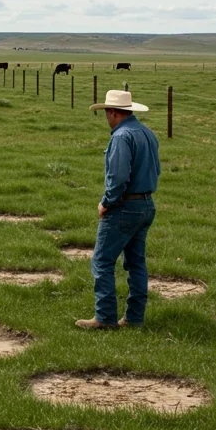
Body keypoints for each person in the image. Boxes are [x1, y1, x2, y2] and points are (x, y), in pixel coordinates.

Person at [76, 90, 160, 330]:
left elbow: (118, 177)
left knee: (102, 261)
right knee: (136, 262)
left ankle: (105, 317)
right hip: (146, 204)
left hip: (124, 206)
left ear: (113, 112)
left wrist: (106, 202)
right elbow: (157, 170)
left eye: (106, 113)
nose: (106, 118)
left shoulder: (121, 137)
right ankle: (134, 318)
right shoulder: (147, 133)